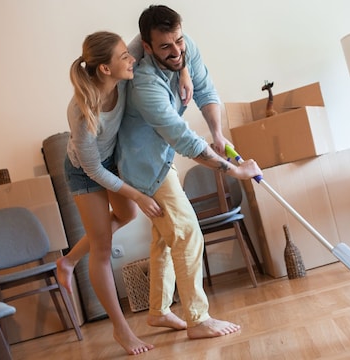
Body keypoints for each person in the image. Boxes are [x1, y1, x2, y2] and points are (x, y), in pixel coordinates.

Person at [117, 4, 263, 340]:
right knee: (185, 232)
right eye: (165, 47)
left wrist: (218, 133)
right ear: (147, 46)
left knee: (165, 239)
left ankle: (158, 311)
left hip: (161, 155)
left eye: (179, 41)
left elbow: (207, 89)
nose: (176, 50)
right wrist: (236, 172)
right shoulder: (144, 83)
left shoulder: (184, 46)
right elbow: (184, 140)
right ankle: (197, 320)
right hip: (143, 165)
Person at [59, 31, 193, 355]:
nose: (132, 58)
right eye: (124, 57)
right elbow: (94, 170)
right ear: (105, 69)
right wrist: (138, 194)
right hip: (85, 172)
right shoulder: (81, 111)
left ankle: (68, 260)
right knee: (103, 248)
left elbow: (159, 34)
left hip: (112, 161)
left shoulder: (122, 64)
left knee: (126, 215)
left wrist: (184, 70)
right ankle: (122, 331)